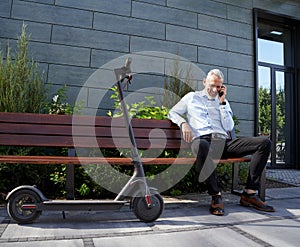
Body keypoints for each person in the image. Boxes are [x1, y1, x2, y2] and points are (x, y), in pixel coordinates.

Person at [168, 69, 275, 216]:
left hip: (224, 142)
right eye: (212, 85)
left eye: (218, 87)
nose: (214, 89)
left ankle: (249, 193)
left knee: (265, 143)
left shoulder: (223, 101)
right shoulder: (192, 97)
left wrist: (222, 103)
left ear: (222, 87)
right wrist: (183, 124)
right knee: (201, 145)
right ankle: (216, 196)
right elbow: (172, 112)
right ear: (204, 81)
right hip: (203, 142)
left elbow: (229, 127)